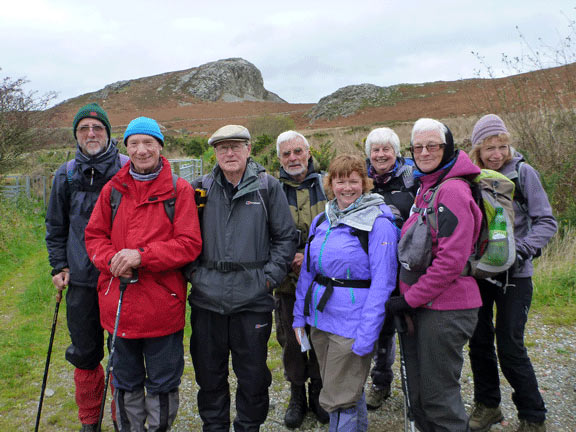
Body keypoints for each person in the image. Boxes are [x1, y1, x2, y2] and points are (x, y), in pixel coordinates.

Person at [84, 117, 202, 431]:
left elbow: (189, 244)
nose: (141, 150)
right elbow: (94, 237)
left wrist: (142, 256)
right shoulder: (113, 190)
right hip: (119, 307)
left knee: (163, 383)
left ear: (160, 147)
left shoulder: (180, 190)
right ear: (126, 148)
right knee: (125, 382)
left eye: (148, 142)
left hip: (162, 307)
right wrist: (112, 260)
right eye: (134, 143)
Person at [188, 124, 296, 431]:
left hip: (253, 300)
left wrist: (268, 278)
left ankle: (249, 426)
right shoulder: (200, 188)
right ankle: (215, 427)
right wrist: (195, 274)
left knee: (253, 376)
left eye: (236, 146)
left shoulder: (267, 187)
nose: (230, 153)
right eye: (223, 148)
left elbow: (285, 238)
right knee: (209, 375)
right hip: (207, 300)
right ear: (215, 153)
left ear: (249, 150)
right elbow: (185, 237)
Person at [386, 118, 483, 431]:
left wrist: (408, 300)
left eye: (433, 145)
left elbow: (450, 262)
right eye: (418, 147)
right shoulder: (428, 187)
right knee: (422, 396)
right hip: (426, 307)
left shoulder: (452, 191)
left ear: (448, 147)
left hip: (446, 309)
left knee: (439, 399)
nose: (425, 152)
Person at [293, 154, 399, 432]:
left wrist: (367, 334)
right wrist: (298, 318)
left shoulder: (378, 223)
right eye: (341, 181)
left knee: (339, 398)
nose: (347, 188)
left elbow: (383, 284)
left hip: (352, 324)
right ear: (331, 184)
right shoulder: (322, 220)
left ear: (365, 183)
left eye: (354, 181)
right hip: (320, 321)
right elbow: (308, 274)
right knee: (343, 388)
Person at [467, 114, 557, 432]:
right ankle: (488, 405)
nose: (497, 154)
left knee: (509, 345)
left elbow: (547, 221)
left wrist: (521, 250)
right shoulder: (471, 176)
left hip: (516, 276)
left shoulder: (523, 172)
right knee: (478, 342)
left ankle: (533, 416)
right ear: (477, 147)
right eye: (489, 147)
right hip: (480, 273)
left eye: (502, 146)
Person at [45, 103, 127, 432]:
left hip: (118, 278)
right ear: (77, 135)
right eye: (84, 129)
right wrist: (59, 265)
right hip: (79, 279)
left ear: (108, 134)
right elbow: (55, 226)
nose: (91, 134)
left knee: (122, 353)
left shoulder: (126, 169)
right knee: (85, 353)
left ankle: (124, 418)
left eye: (97, 128)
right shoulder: (64, 174)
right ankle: (89, 421)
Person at [274, 130, 329, 427]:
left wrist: (307, 256)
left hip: (323, 283)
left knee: (320, 337)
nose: (293, 158)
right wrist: (288, 259)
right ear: (279, 158)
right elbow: (265, 234)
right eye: (286, 154)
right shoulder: (269, 189)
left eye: (298, 152)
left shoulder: (328, 185)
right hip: (286, 284)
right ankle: (297, 395)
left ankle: (318, 391)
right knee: (291, 342)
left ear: (308, 153)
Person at [363, 127, 417, 410]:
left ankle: (416, 387)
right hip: (376, 269)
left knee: (413, 327)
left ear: (396, 152)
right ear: (368, 154)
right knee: (381, 328)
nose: (381, 154)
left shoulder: (411, 179)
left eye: (386, 149)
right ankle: (381, 382)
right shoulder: (363, 181)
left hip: (409, 268)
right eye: (375, 150)